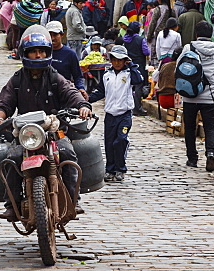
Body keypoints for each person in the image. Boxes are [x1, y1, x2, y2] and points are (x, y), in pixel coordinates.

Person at [0, 25, 92, 221]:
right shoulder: (18, 79)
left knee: (68, 153)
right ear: (25, 54)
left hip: (54, 131)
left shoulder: (54, 76)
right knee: (12, 157)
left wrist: (82, 106)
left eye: (41, 51)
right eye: (33, 52)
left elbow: (70, 92)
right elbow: (4, 101)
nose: (37, 56)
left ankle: (73, 199)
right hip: (26, 134)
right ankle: (11, 203)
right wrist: (0, 117)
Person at [88, 45, 142, 183]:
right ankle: (110, 169)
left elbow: (139, 80)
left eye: (120, 60)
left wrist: (132, 66)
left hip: (124, 114)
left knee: (121, 140)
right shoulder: (107, 75)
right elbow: (100, 92)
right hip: (110, 115)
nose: (117, 63)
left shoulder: (129, 74)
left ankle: (120, 168)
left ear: (125, 61)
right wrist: (86, 100)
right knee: (110, 143)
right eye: (114, 60)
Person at [179, 21, 214, 172]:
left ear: (196, 34)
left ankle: (192, 158)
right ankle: (211, 153)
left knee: (190, 127)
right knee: (210, 127)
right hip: (209, 96)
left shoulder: (188, 48)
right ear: (210, 34)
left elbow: (180, 67)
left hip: (190, 95)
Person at [45, 21, 88, 101]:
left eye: (55, 35)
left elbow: (78, 76)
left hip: (63, 94)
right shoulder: (42, 53)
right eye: (50, 35)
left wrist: (81, 88)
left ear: (62, 35)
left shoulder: (70, 54)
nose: (52, 38)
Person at [122, 21, 150, 110]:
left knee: (127, 86)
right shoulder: (140, 39)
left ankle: (125, 105)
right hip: (139, 65)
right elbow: (146, 52)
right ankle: (137, 107)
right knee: (138, 86)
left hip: (127, 65)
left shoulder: (124, 39)